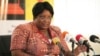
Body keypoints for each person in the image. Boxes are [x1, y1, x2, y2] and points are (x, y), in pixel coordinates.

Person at [10, 1, 86, 56]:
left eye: (49, 17)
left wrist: (76, 51)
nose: (46, 21)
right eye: (42, 17)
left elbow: (65, 52)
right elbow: (16, 53)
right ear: (34, 17)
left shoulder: (56, 30)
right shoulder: (23, 29)